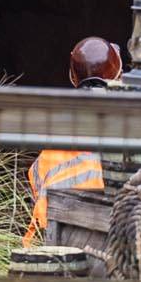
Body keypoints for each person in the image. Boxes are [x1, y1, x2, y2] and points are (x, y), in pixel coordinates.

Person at [21, 39, 116, 245]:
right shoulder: (131, 128)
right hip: (112, 245)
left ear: (73, 78)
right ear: (117, 77)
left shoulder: (53, 142)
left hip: (51, 247)